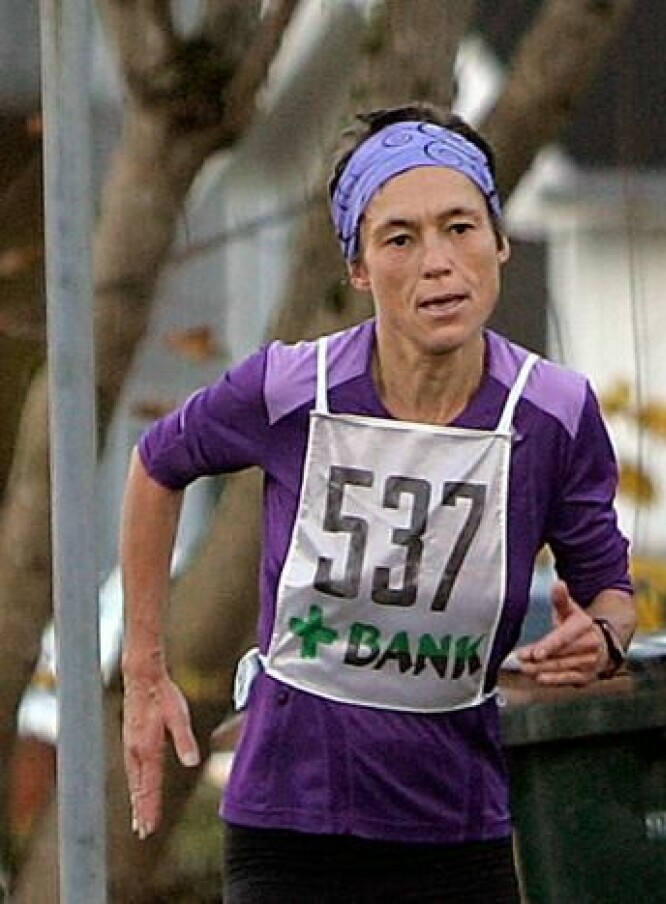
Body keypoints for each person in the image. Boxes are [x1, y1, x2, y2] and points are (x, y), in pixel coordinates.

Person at [121, 102, 635, 903]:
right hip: (290, 823)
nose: (439, 263)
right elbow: (156, 465)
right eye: (400, 237)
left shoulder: (555, 413)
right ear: (359, 268)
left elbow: (611, 596)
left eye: (461, 227)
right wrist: (144, 670)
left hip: (457, 828)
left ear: (500, 240)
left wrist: (600, 638)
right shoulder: (294, 387)